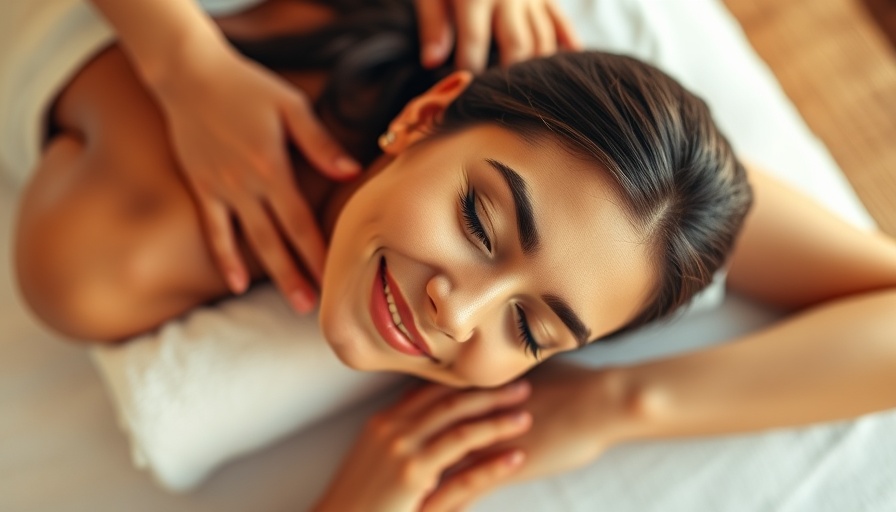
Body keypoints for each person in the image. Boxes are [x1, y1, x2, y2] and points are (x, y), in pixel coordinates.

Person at [11, 0, 896, 510]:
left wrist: (616, 406)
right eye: (479, 221)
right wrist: (178, 55)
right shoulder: (110, 258)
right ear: (425, 114)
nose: (456, 312)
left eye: (532, 325)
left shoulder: (640, 217)